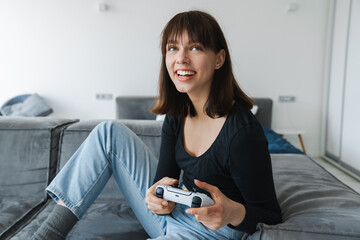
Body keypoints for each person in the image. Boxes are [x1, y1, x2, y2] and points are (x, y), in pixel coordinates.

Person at [32, 10, 282, 240]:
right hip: (174, 215)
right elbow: (164, 180)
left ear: (219, 59)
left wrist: (232, 213)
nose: (181, 58)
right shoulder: (178, 114)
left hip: (211, 233)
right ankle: (46, 235)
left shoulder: (242, 132)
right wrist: (155, 198)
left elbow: (271, 215)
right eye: (173, 48)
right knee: (108, 133)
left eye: (195, 47)